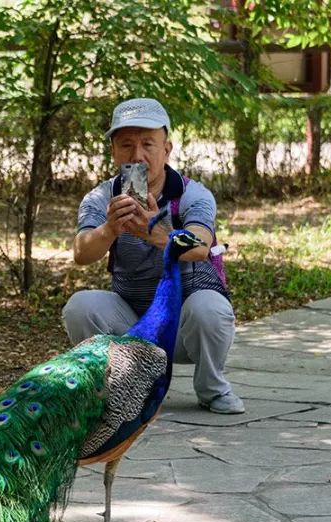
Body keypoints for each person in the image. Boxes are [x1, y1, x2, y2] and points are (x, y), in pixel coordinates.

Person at [62, 98, 245, 414]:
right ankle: (112, 390)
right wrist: (109, 229)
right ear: (113, 152)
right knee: (80, 307)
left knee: (211, 308)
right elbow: (81, 253)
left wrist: (155, 232)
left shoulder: (192, 195)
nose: (137, 156)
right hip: (133, 322)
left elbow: (201, 246)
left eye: (148, 144)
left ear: (167, 149)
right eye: (126, 145)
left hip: (183, 327)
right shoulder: (101, 197)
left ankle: (212, 389)